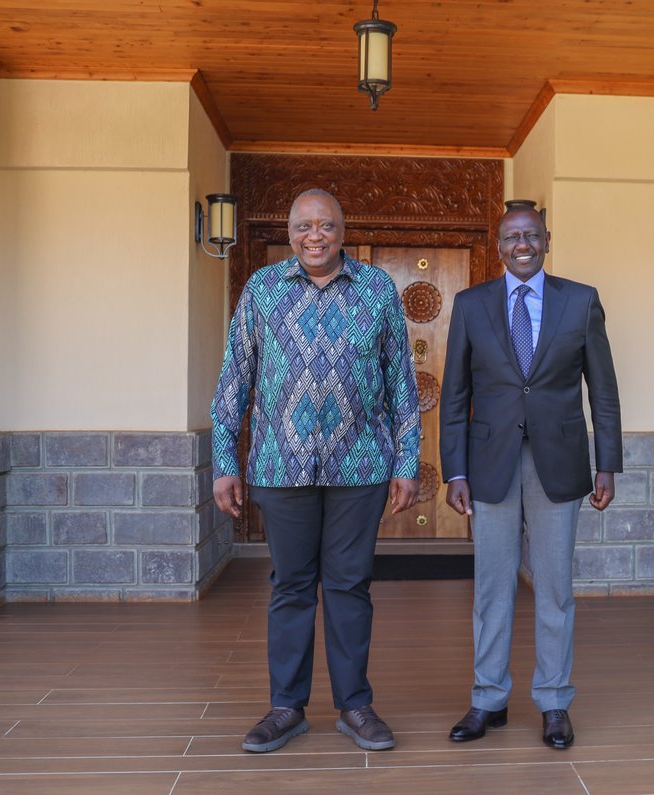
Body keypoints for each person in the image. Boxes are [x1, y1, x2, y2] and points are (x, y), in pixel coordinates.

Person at [211, 188, 420, 754]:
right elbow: (235, 381)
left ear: (342, 229)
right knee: (292, 587)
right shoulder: (261, 289)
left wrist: (407, 462)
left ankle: (356, 706)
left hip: (362, 466)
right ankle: (286, 707)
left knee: (350, 586)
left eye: (326, 224)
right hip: (281, 465)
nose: (315, 235)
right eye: (304, 226)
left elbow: (402, 384)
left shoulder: (377, 290)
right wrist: (225, 462)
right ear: (289, 230)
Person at [439, 204, 622, 749]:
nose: (522, 243)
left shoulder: (581, 300)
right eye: (511, 236)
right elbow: (454, 396)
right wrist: (455, 470)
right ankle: (488, 699)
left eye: (531, 235)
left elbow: (603, 390)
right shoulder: (471, 305)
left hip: (559, 464)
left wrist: (606, 462)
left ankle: (555, 701)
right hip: (491, 464)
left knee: (555, 589)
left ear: (547, 241)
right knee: (492, 586)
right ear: (498, 245)